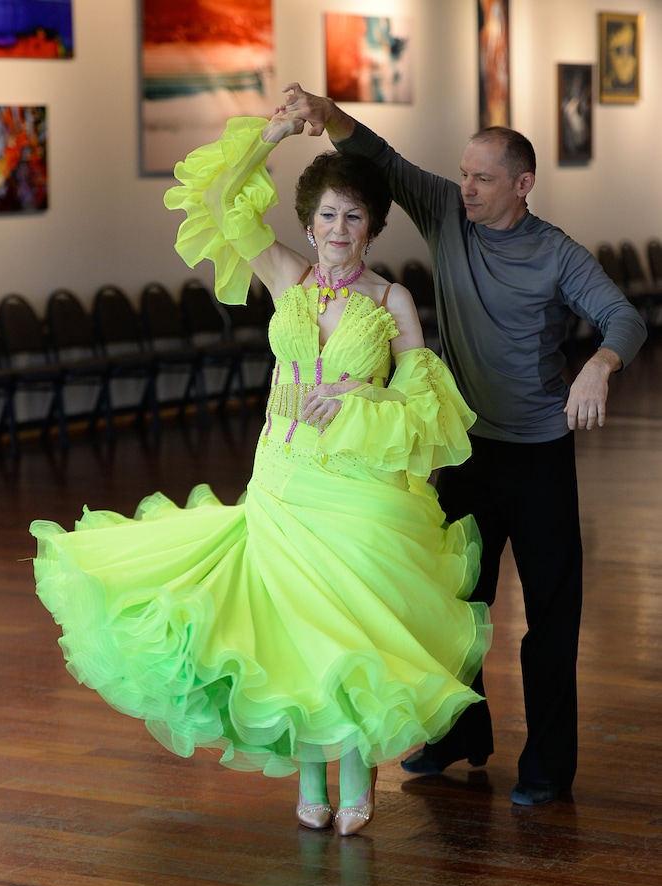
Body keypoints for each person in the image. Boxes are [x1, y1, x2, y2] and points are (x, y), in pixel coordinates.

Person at [30, 110, 492, 836]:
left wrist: (360, 392)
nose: (340, 229)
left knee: (350, 631)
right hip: (281, 478)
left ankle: (358, 774)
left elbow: (424, 400)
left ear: (373, 228)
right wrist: (271, 138)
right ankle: (312, 778)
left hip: (358, 490)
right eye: (329, 215)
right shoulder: (286, 274)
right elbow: (215, 200)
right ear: (310, 223)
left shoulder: (390, 299)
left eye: (356, 217)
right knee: (288, 630)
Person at [277, 82, 648, 806]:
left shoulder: (557, 253)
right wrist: (325, 114)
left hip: (539, 454)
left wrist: (600, 367)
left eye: (482, 177)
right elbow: (375, 155)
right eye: (464, 172)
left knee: (549, 616)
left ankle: (546, 765)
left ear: (522, 184)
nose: (466, 186)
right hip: (466, 452)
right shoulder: (446, 212)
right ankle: (458, 735)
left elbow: (622, 317)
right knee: (454, 608)